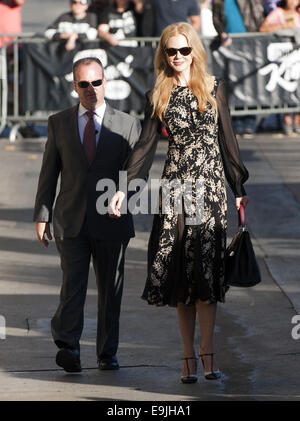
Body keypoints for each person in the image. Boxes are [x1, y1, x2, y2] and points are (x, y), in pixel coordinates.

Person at [109, 22, 249, 383]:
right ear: (163, 54)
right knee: (182, 280)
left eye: (184, 50)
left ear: (194, 52)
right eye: (171, 51)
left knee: (207, 277)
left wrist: (238, 188)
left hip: (212, 191)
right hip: (175, 192)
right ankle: (187, 356)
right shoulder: (158, 93)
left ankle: (208, 354)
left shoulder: (213, 86)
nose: (177, 57)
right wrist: (125, 186)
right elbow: (144, 146)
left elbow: (227, 141)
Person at [33, 57, 141, 373]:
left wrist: (126, 194)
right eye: (84, 84)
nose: (91, 89)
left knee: (110, 291)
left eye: (96, 82)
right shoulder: (59, 122)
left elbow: (138, 173)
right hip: (71, 220)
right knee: (72, 286)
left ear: (105, 82)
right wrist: (43, 214)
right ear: (74, 87)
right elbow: (48, 172)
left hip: (112, 220)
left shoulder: (128, 124)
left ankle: (107, 353)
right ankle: (68, 347)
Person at [212, 0, 265, 135]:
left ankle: (249, 121)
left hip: (249, 43)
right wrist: (221, 33)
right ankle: (235, 121)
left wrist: (256, 36)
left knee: (249, 82)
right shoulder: (218, 2)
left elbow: (257, 16)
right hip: (229, 46)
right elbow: (216, 19)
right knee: (231, 82)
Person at [259, 0, 300, 135]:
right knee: (287, 89)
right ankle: (287, 121)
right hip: (285, 59)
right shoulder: (278, 13)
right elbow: (263, 29)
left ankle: (298, 121)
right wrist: (282, 27)